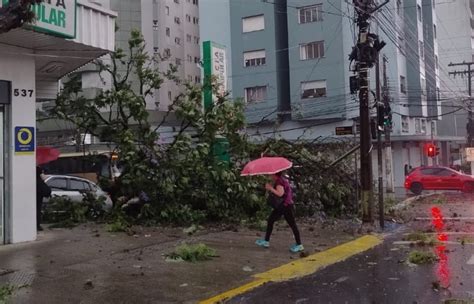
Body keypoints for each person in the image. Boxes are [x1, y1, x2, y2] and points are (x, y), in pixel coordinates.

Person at [256, 172, 304, 253]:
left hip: (286, 206)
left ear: (274, 175)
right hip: (283, 205)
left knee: (292, 224)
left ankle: (299, 245)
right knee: (271, 220)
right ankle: (266, 241)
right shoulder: (281, 180)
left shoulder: (280, 182)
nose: (270, 176)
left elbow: (280, 193)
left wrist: (271, 188)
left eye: (271, 174)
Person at [36, 166, 51, 232]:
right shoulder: (39, 181)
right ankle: (37, 225)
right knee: (37, 211)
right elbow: (47, 191)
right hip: (38, 202)